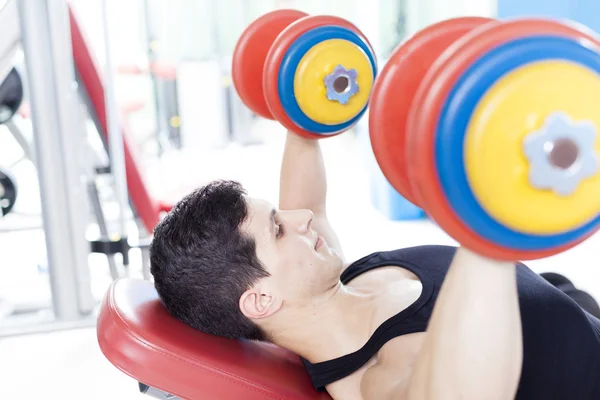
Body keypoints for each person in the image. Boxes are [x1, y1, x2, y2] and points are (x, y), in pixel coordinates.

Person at [149, 131, 600, 400]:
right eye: (279, 229)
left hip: (576, 307)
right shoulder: (376, 375)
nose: (300, 218)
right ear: (261, 299)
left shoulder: (339, 282)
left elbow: (306, 202)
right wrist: (486, 225)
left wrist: (300, 117)